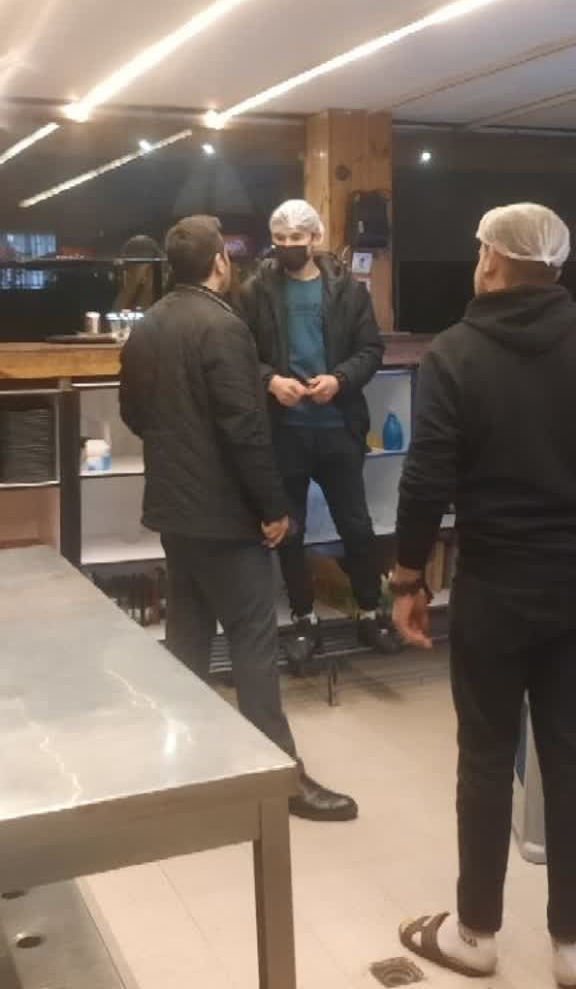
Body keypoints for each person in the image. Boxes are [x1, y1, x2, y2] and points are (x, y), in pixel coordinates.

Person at [389, 204, 576, 989]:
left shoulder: (454, 353)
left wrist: (407, 577)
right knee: (568, 759)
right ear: (553, 268)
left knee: (485, 758)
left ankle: (474, 936)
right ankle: (570, 947)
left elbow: (425, 478)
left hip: (492, 588)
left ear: (491, 261)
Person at [119, 214, 358, 822]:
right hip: (227, 516)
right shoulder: (223, 326)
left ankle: (187, 774)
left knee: (187, 642)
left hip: (175, 512)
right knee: (253, 642)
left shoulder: (147, 326)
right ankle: (282, 782)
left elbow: (134, 414)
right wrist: (273, 509)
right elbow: (245, 430)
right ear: (220, 263)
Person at [238, 199, 401, 668]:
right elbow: (239, 353)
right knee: (290, 532)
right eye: (281, 238)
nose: (288, 245)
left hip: (339, 429)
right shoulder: (254, 292)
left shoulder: (348, 291)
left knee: (357, 526)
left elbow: (371, 350)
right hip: (284, 431)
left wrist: (341, 380)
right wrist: (271, 380)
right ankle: (303, 620)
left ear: (315, 237)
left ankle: (370, 612)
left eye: (297, 238)